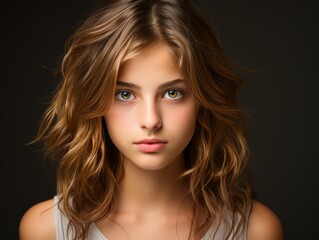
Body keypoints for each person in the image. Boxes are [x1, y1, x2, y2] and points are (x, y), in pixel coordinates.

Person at [19, 0, 283, 239]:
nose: (151, 120)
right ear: (95, 102)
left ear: (203, 102)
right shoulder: (46, 230)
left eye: (172, 93)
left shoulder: (255, 230)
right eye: (124, 94)